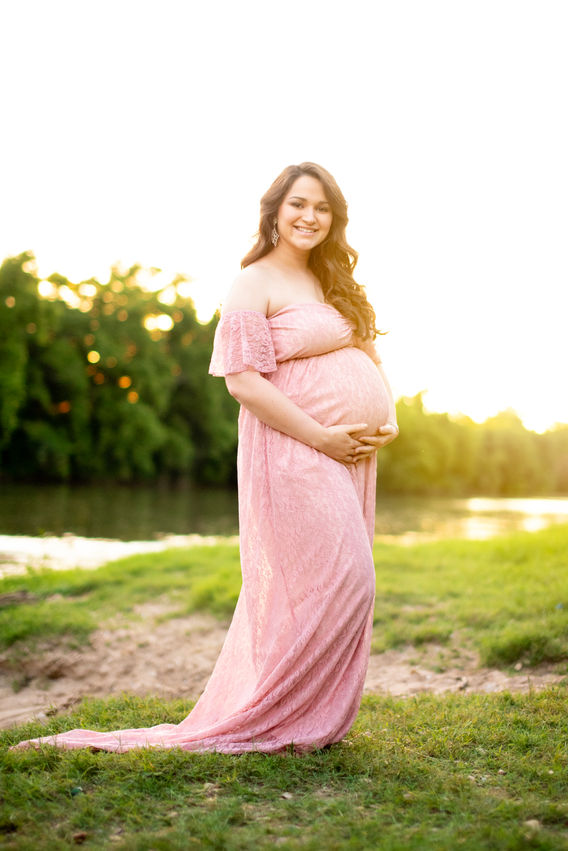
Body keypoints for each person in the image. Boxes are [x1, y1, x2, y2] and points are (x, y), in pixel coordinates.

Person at [11, 162, 398, 754]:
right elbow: (243, 382)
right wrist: (321, 436)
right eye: (298, 204)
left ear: (334, 219)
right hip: (296, 447)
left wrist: (388, 414)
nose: (309, 217)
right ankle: (278, 715)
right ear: (274, 210)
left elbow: (370, 355)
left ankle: (309, 717)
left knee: (336, 578)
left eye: (322, 208)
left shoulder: (335, 282)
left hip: (350, 453)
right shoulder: (254, 283)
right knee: (348, 578)